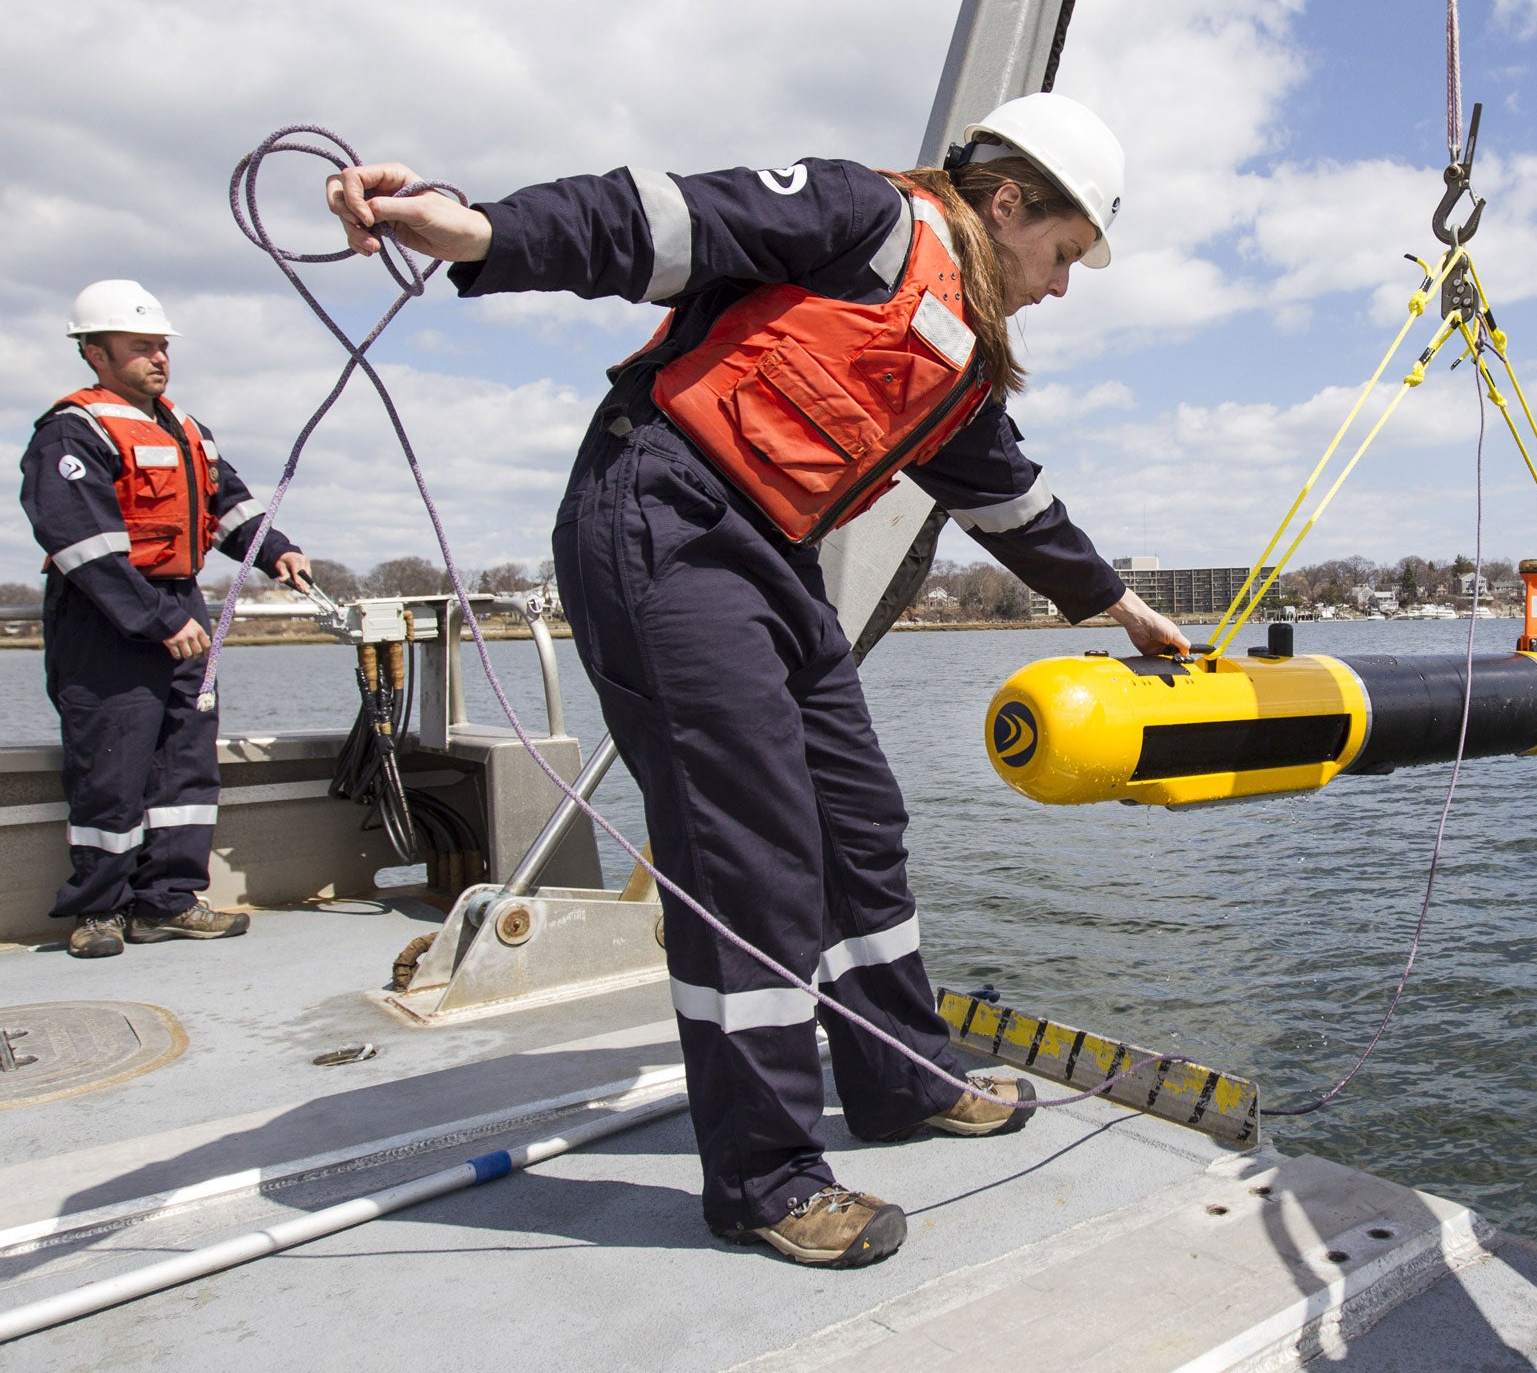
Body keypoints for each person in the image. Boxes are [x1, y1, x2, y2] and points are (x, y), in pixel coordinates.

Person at [324, 92, 1187, 1269]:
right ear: (1005, 201)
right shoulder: (858, 217)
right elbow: (658, 225)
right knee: (752, 851)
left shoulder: (957, 350)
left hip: (767, 557)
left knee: (858, 820)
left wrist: (1115, 605)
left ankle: (899, 1077)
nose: (1061, 284)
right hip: (663, 523)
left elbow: (1003, 493)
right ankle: (763, 1174)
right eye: (1063, 252)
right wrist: (475, 231)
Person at [19, 281, 313, 960]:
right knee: (111, 766)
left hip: (180, 608)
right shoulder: (72, 431)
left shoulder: (186, 431)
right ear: (95, 353)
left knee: (186, 762)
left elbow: (230, 506)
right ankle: (99, 912)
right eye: (140, 347)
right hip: (108, 619)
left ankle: (170, 902)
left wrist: (277, 551)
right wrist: (154, 620)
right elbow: (79, 543)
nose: (158, 358)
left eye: (162, 347)